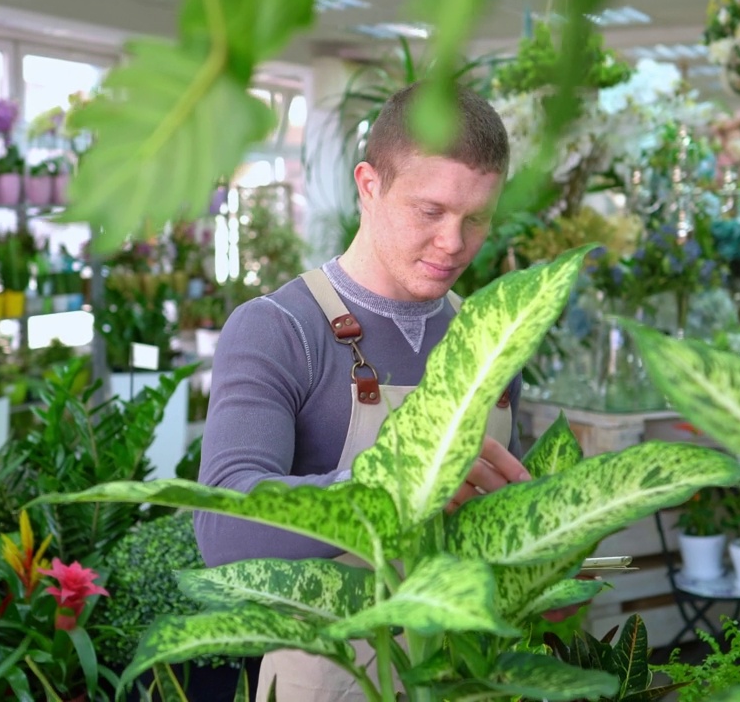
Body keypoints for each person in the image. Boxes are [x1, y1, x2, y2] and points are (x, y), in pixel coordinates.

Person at [195, 83, 535, 700]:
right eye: (430, 211)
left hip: (473, 677)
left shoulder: (490, 337)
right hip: (334, 681)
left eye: (476, 218)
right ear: (369, 186)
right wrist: (399, 487)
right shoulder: (279, 329)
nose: (454, 243)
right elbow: (224, 528)